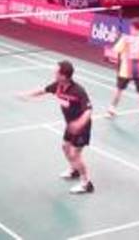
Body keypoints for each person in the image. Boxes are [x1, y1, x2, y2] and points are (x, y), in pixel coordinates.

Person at [19, 61, 94, 194]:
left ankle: (86, 183)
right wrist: (27, 94)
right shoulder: (58, 86)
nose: (54, 73)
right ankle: (74, 170)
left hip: (81, 126)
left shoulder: (78, 91)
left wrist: (79, 124)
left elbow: (88, 110)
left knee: (75, 154)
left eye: (56, 72)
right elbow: (43, 90)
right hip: (70, 125)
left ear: (63, 76)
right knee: (65, 147)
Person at [107, 20, 139, 129]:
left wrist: (117, 39)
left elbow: (115, 51)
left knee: (119, 90)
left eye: (131, 28)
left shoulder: (125, 38)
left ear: (132, 28)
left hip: (126, 70)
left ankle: (111, 109)